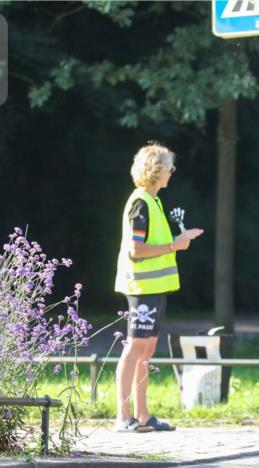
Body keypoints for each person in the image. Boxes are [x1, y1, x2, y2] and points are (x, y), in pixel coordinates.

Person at [114, 143, 203, 432]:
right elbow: (136, 250)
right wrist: (175, 245)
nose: (171, 172)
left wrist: (179, 240)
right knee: (135, 348)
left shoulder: (154, 201)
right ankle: (123, 417)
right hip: (141, 288)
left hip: (154, 289)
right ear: (155, 170)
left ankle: (143, 416)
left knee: (147, 349)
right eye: (168, 167)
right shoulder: (141, 203)